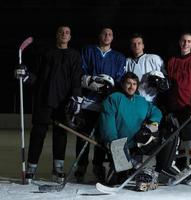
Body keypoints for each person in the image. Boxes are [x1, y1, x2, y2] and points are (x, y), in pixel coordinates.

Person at [14, 25, 83, 183]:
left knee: (60, 135)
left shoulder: (74, 55)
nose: (64, 34)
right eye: (61, 32)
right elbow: (36, 77)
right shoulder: (46, 53)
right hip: (43, 100)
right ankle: (31, 168)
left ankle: (58, 168)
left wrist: (76, 97)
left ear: (70, 37)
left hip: (63, 102)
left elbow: (76, 79)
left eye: (67, 32)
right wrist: (24, 75)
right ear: (56, 35)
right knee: (38, 134)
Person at [75, 27, 126, 183]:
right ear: (99, 35)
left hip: (106, 105)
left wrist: (111, 88)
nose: (107, 36)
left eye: (110, 34)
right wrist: (90, 82)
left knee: (102, 138)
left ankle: (98, 166)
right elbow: (80, 72)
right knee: (83, 136)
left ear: (113, 37)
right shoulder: (88, 51)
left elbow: (120, 79)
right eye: (104, 33)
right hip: (88, 103)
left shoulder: (119, 57)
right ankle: (81, 165)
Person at [156, 32, 191, 183]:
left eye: (189, 41)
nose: (186, 43)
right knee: (176, 141)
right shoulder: (172, 61)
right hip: (174, 107)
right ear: (180, 43)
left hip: (190, 107)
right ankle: (180, 169)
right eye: (183, 41)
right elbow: (169, 85)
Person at [98, 72, 162, 190]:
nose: (131, 87)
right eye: (128, 83)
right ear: (122, 84)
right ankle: (123, 171)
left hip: (136, 145)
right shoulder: (113, 99)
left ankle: (154, 173)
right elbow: (108, 126)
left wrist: (153, 123)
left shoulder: (141, 101)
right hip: (117, 145)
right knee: (115, 180)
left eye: (134, 84)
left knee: (165, 138)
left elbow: (156, 112)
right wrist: (115, 144)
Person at [126, 33, 168, 103]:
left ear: (143, 46)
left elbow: (165, 79)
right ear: (131, 46)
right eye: (134, 44)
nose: (136, 46)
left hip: (151, 100)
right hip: (132, 101)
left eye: (139, 43)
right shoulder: (126, 61)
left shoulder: (154, 58)